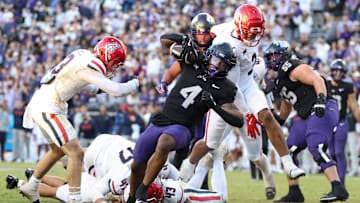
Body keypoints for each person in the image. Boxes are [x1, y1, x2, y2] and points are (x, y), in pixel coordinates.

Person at [180, 4, 304, 191]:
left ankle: (288, 164)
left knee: (267, 116)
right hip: (227, 94)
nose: (253, 36)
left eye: (256, 32)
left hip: (247, 85)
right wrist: (248, 113)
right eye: (250, 32)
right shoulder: (228, 44)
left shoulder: (232, 30)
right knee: (209, 143)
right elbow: (231, 88)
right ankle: (184, 173)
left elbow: (212, 30)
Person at [21, 36, 140, 203]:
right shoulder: (93, 64)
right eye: (114, 63)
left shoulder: (82, 55)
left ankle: (32, 185)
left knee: (58, 151)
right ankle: (75, 199)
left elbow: (88, 86)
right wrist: (135, 83)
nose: (114, 68)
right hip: (49, 107)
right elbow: (116, 90)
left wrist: (102, 89)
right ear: (105, 55)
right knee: (75, 152)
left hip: (45, 102)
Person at [128, 42, 245, 203]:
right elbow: (166, 42)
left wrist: (214, 106)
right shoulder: (193, 63)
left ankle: (143, 190)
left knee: (164, 143)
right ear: (208, 56)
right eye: (216, 60)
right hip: (161, 120)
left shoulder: (225, 87)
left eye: (223, 64)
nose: (218, 66)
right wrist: (185, 42)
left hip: (184, 127)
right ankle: (131, 198)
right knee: (136, 166)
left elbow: (238, 119)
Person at [263, 40, 349, 202]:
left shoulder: (293, 67)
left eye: (274, 56)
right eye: (269, 57)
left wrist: (321, 99)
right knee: (287, 150)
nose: (271, 60)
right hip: (305, 115)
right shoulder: (281, 79)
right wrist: (278, 122)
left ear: (284, 54)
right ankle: (294, 192)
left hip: (322, 107)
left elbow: (318, 80)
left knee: (316, 146)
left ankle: (338, 187)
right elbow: (287, 104)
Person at [327, 59, 360, 184]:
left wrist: (358, 118)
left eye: (340, 71)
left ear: (344, 72)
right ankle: (335, 181)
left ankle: (342, 180)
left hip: (341, 121)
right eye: (335, 71)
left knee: (339, 152)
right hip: (328, 124)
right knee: (332, 154)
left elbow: (353, 105)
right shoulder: (326, 84)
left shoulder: (347, 86)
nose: (337, 74)